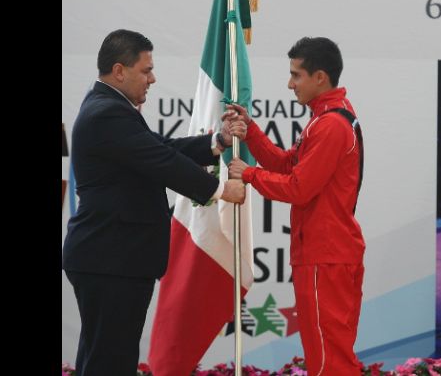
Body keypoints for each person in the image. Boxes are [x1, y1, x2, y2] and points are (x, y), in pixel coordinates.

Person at [62, 29, 246, 376]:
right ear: (120, 70)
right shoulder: (108, 113)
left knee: (102, 357)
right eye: (146, 70)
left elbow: (159, 150)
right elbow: (161, 162)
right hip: (111, 258)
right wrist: (220, 190)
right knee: (110, 362)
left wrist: (216, 142)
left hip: (112, 257)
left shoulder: (111, 107)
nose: (152, 78)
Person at [226, 36, 365, 376]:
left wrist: (248, 175)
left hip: (326, 255)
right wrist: (252, 132)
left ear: (320, 77)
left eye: (296, 75)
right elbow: (289, 166)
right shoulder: (326, 118)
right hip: (323, 253)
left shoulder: (331, 124)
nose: (290, 84)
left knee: (328, 358)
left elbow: (299, 188)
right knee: (325, 353)